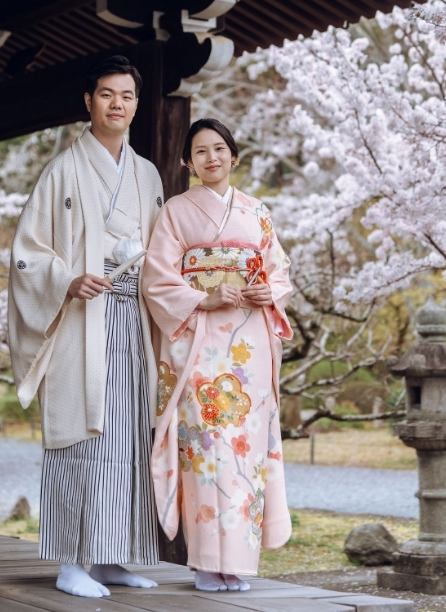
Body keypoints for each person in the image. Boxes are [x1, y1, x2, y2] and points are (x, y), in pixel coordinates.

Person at [7, 55, 165, 599]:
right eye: (106, 94)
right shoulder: (62, 171)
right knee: (84, 436)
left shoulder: (147, 174)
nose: (116, 103)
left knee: (129, 436)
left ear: (136, 105)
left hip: (133, 318)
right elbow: (27, 252)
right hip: (81, 317)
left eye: (126, 95)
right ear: (88, 101)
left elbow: (162, 254)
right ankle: (72, 562)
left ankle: (114, 555)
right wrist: (69, 280)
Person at [141, 119, 293, 592]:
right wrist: (204, 296)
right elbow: (158, 279)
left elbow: (280, 270)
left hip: (249, 345)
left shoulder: (257, 212)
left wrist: (271, 291)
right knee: (205, 446)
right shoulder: (175, 212)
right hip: (200, 342)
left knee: (244, 451)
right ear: (188, 162)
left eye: (220, 149)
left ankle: (240, 564)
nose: (211, 158)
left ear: (235, 156)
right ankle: (206, 563)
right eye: (200, 151)